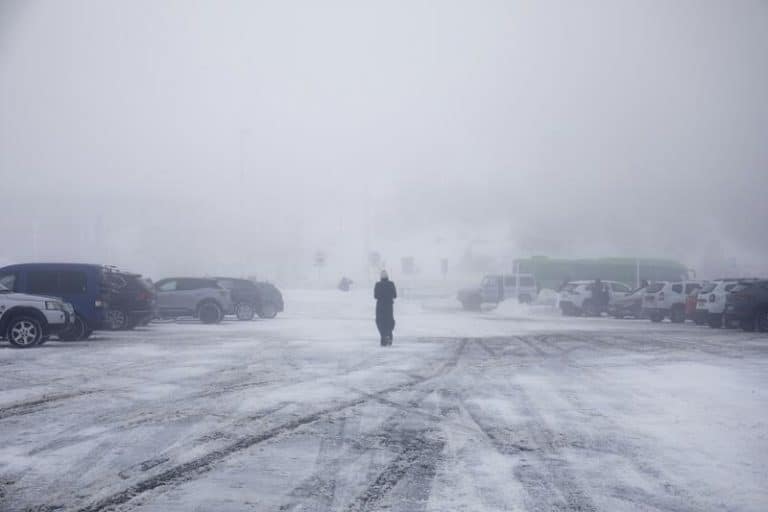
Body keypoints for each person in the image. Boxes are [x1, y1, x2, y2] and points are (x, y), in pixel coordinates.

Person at [374, 270, 397, 346]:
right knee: (389, 322)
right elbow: (395, 295)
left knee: (380, 322)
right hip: (389, 306)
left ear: (380, 277)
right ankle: (388, 336)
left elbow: (375, 296)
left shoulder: (378, 284)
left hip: (380, 306)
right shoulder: (391, 284)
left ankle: (384, 338)